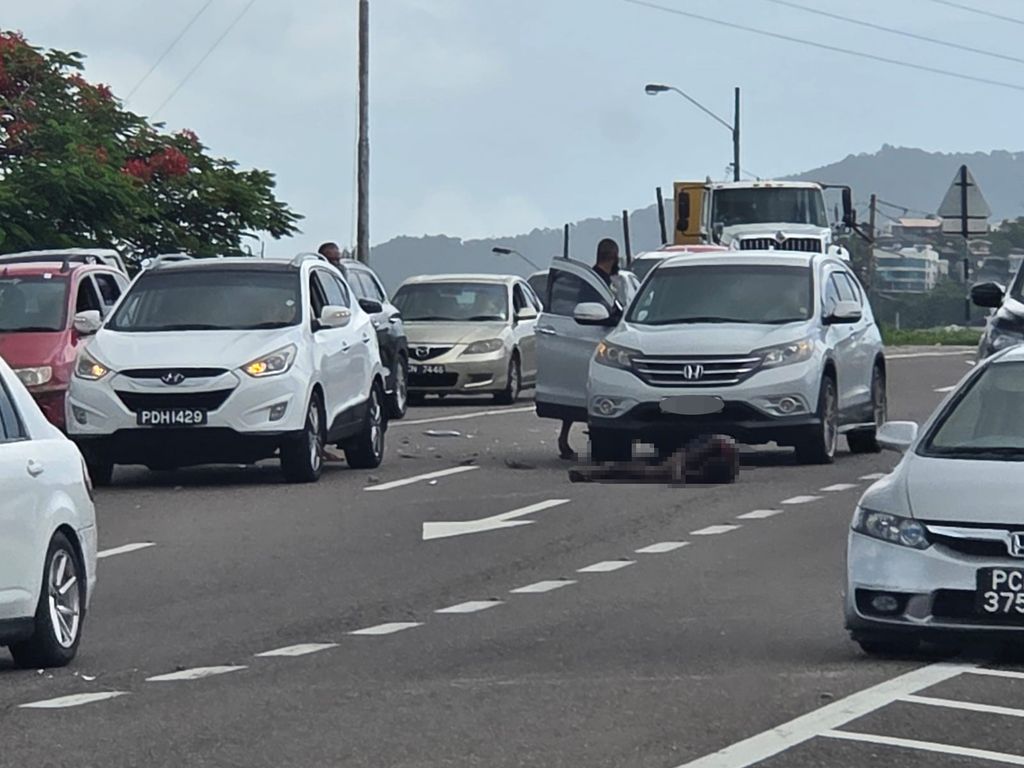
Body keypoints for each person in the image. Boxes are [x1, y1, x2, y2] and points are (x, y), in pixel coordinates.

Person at [557, 238, 622, 462]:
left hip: (591, 339)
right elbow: (602, 311)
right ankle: (585, 440)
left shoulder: (596, 279)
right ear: (614, 256)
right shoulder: (597, 283)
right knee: (592, 394)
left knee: (580, 394)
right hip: (594, 341)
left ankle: (566, 439)